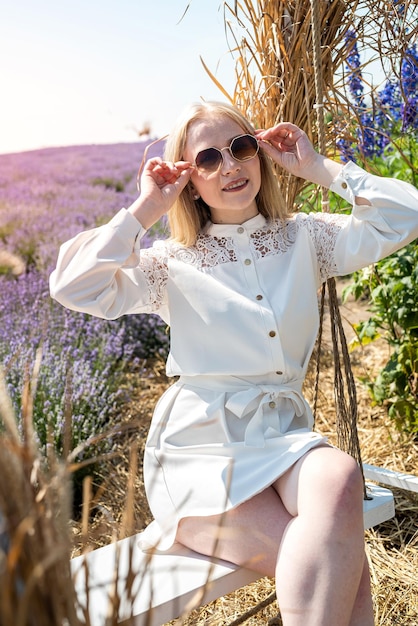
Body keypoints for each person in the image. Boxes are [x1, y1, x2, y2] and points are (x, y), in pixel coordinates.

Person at [50, 101, 418, 626]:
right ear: (189, 179)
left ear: (261, 153)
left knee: (339, 475)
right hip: (200, 453)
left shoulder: (306, 238)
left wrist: (316, 167)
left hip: (282, 437)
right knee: (343, 579)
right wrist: (144, 210)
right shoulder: (169, 265)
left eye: (241, 147)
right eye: (208, 158)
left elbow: (407, 214)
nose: (230, 166)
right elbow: (71, 286)